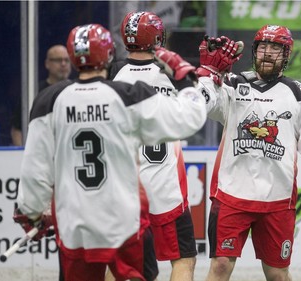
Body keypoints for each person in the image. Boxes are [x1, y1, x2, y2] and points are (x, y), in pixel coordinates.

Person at [13, 23, 206, 281]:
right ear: (108, 54)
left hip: (75, 220)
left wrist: (32, 212)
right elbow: (190, 119)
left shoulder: (50, 100)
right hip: (123, 219)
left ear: (72, 56)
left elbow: (36, 170)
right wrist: (185, 79)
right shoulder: (128, 96)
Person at [195, 25, 301, 281]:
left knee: (277, 273)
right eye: (263, 47)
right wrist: (208, 75)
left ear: (286, 55)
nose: (267, 53)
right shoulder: (232, 84)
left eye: (275, 48)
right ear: (254, 51)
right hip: (232, 196)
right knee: (220, 266)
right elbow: (201, 105)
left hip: (278, 201)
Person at [108, 11, 198, 281]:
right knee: (183, 260)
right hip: (165, 187)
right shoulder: (171, 70)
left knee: (120, 264)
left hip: (125, 186)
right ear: (158, 37)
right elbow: (198, 107)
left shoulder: (113, 74)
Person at [10, 44, 71, 146]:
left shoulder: (77, 90)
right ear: (47, 64)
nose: (63, 64)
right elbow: (17, 129)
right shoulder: (34, 91)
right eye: (58, 60)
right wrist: (21, 154)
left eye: (67, 60)